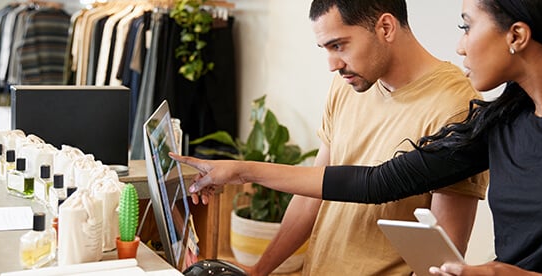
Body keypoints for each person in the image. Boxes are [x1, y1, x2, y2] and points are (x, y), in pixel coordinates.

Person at [172, 0, 542, 275]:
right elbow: (376, 182)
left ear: (517, 35)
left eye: (466, 25)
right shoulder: (501, 122)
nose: (459, 45)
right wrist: (239, 171)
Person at [199, 1, 489, 275]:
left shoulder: (456, 106)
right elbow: (311, 196)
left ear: (385, 28)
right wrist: (258, 271)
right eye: (325, 48)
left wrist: (245, 171)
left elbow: (441, 256)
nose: (332, 64)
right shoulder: (348, 85)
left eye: (339, 45)